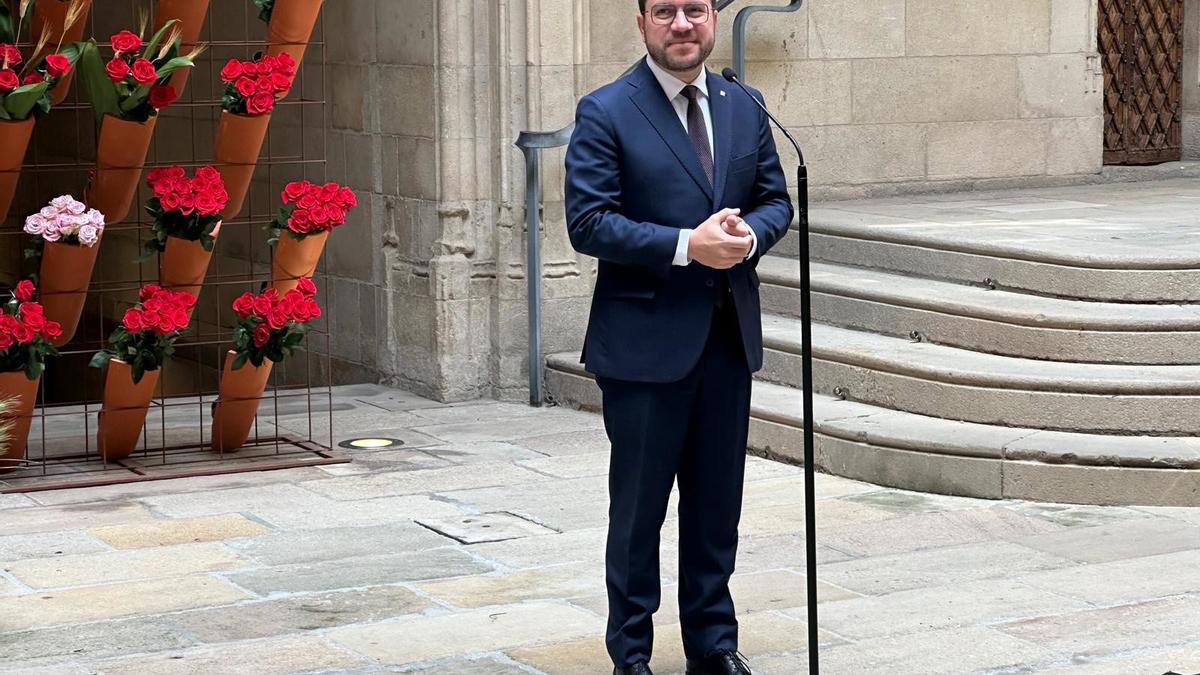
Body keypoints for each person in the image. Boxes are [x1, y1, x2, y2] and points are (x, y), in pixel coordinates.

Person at [564, 1, 793, 673]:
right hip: (643, 346)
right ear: (642, 23)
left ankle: (714, 645)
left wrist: (749, 236)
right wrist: (686, 246)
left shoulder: (745, 106)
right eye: (665, 10)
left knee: (716, 507)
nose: (682, 24)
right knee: (638, 514)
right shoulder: (606, 111)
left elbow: (776, 198)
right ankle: (631, 652)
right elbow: (590, 222)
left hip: (724, 339)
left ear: (713, 19)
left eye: (694, 8)